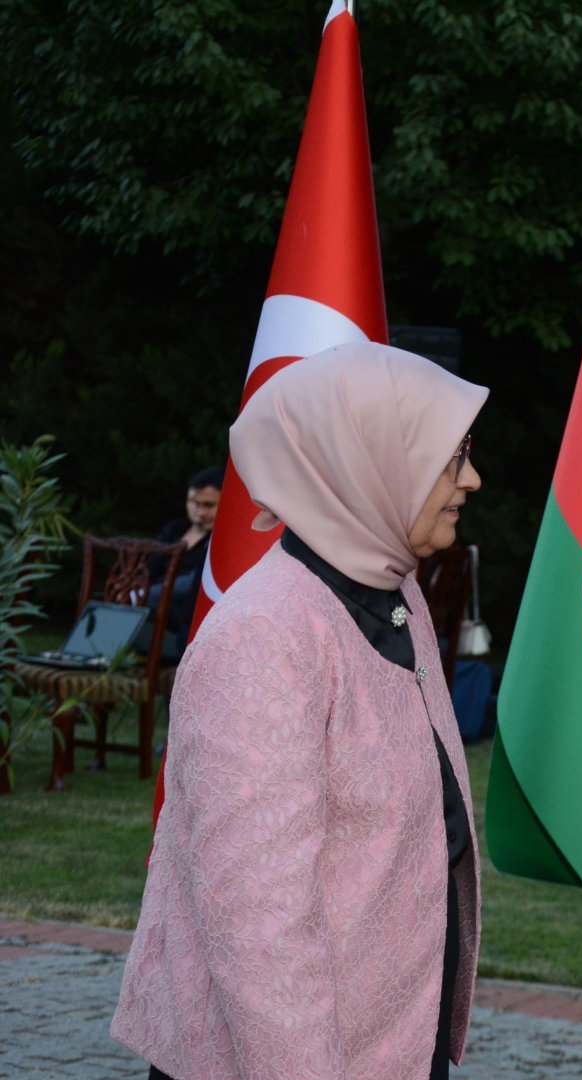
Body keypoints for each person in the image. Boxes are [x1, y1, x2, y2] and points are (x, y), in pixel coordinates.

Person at [111, 340, 488, 1080]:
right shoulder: (265, 638)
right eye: (452, 458)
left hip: (386, 1050)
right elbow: (258, 932)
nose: (472, 480)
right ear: (372, 462)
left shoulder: (393, 590)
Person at [146, 466, 222, 660]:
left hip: (181, 623)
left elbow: (191, 585)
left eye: (208, 505)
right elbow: (147, 567)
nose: (200, 511)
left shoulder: (221, 542)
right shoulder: (174, 530)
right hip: (149, 610)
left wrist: (142, 594)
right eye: (194, 503)